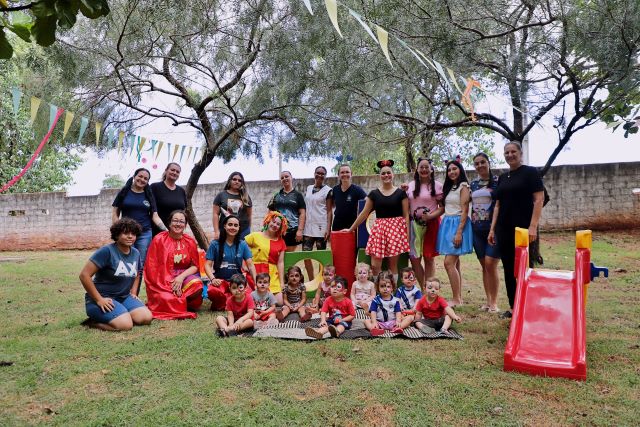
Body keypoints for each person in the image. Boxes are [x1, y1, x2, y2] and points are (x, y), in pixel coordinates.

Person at [489, 141, 545, 319]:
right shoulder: (502, 178)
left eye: (513, 151)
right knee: (508, 268)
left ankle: (528, 306)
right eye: (507, 152)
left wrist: (533, 226)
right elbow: (498, 205)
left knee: (525, 268)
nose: (510, 155)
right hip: (503, 229)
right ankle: (514, 308)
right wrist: (492, 229)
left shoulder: (530, 172)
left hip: (523, 231)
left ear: (520, 153)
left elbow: (539, 199)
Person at [79, 218, 153, 331]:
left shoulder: (136, 253)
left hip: (124, 297)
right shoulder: (106, 251)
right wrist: (99, 300)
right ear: (117, 235)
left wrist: (133, 292)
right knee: (126, 325)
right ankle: (93, 322)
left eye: (133, 234)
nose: (130, 236)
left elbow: (138, 273)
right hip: (103, 298)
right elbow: (84, 275)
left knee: (146, 318)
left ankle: (121, 313)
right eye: (126, 233)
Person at [346, 160, 409, 280]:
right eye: (383, 173)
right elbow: (364, 213)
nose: (386, 175)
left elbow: (406, 215)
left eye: (388, 173)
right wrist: (351, 229)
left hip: (395, 231)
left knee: (392, 265)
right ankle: (377, 287)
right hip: (379, 230)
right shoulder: (374, 194)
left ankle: (392, 289)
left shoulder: (401, 193)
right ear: (380, 176)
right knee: (375, 265)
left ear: (393, 175)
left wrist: (406, 236)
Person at [143, 210, 204, 320]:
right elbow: (151, 267)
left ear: (185, 225)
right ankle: (177, 300)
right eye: (175, 220)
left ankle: (180, 300)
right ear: (169, 223)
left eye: (181, 221)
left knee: (197, 284)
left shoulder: (190, 241)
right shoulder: (159, 239)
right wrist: (168, 282)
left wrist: (181, 277)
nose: (178, 224)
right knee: (166, 297)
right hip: (163, 279)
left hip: (184, 276)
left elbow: (195, 266)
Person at [112, 168, 167, 278]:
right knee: (125, 262)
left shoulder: (149, 195)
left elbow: (155, 216)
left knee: (140, 264)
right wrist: (119, 231)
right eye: (140, 176)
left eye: (145, 178)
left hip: (145, 234)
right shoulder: (124, 192)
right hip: (126, 233)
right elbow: (115, 214)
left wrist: (166, 230)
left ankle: (135, 289)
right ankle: (125, 288)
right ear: (134, 176)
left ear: (148, 181)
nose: (142, 179)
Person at [435, 160, 473, 307]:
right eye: (449, 170)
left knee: (448, 263)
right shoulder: (450, 187)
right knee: (455, 264)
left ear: (460, 170)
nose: (451, 172)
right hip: (448, 223)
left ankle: (456, 299)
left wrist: (459, 232)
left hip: (458, 224)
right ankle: (458, 297)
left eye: (454, 169)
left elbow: (465, 210)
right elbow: (445, 207)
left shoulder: (464, 186)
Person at [204, 215, 257, 311]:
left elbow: (250, 265)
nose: (233, 227)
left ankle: (226, 303)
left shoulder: (242, 244)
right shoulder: (215, 244)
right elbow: (207, 265)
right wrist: (213, 279)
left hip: (238, 282)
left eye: (236, 225)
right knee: (212, 291)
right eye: (230, 224)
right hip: (220, 282)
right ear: (224, 226)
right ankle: (233, 302)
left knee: (249, 295)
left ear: (239, 228)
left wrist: (256, 283)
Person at [405, 157, 444, 286]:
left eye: (427, 167)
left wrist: (431, 216)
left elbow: (442, 208)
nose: (424, 169)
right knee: (414, 259)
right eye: (421, 167)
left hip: (431, 225)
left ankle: (430, 288)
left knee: (429, 258)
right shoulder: (410, 185)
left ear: (431, 169)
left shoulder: (437, 186)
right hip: (414, 225)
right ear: (417, 169)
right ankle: (424, 288)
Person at [470, 153, 500, 313]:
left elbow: (500, 204)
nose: (480, 165)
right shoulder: (473, 184)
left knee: (490, 264)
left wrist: (494, 228)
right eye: (477, 163)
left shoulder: (498, 181)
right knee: (484, 266)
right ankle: (488, 301)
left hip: (493, 230)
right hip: (476, 230)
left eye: (483, 162)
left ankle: (494, 303)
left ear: (488, 163)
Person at [245, 211, 288, 305]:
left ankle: (263, 302)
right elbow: (240, 247)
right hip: (255, 272)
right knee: (251, 298)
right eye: (273, 222)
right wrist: (243, 263)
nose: (275, 225)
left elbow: (280, 263)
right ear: (268, 221)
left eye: (278, 224)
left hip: (272, 274)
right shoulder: (255, 236)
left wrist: (282, 283)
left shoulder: (281, 242)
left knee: (280, 301)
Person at [302, 166, 331, 279]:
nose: (320, 175)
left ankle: (320, 280)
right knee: (305, 255)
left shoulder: (328, 191)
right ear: (314, 173)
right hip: (308, 227)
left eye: (322, 174)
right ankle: (311, 280)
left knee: (320, 257)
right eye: (318, 173)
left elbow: (329, 211)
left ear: (325, 176)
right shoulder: (309, 188)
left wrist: (328, 228)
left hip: (321, 227)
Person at [365, 270, 412, 336]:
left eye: (388, 286)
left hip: (393, 322)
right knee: (366, 321)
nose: (385, 289)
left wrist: (398, 321)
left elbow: (398, 312)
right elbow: (373, 312)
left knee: (410, 318)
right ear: (378, 287)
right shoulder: (375, 300)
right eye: (382, 286)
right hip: (380, 323)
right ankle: (375, 329)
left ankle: (398, 328)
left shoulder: (395, 300)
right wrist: (374, 322)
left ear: (392, 288)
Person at [267, 171, 306, 251]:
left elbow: (302, 213)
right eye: (282, 178)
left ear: (291, 178)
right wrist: (266, 228)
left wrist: (300, 230)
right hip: (277, 230)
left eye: (286, 176)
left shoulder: (298, 195)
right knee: (277, 254)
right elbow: (270, 213)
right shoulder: (276, 195)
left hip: (292, 232)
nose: (284, 179)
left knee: (289, 255)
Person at [212, 172, 253, 240]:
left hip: (243, 231)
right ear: (230, 180)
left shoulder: (246, 197)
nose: (237, 182)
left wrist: (249, 230)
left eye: (239, 180)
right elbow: (215, 214)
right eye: (234, 179)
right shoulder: (221, 195)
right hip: (225, 230)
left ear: (242, 183)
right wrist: (216, 231)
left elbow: (249, 215)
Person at [150, 163, 187, 237]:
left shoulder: (181, 191)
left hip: (176, 232)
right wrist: (167, 232)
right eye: (172, 170)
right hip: (158, 233)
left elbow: (183, 212)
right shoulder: (154, 187)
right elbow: (152, 212)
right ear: (166, 170)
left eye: (177, 172)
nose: (175, 173)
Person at [327, 164, 367, 232]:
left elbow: (368, 202)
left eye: (347, 172)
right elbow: (331, 207)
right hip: (337, 226)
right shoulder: (335, 190)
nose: (345, 174)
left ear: (351, 174)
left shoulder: (357, 190)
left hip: (352, 227)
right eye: (342, 172)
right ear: (338, 175)